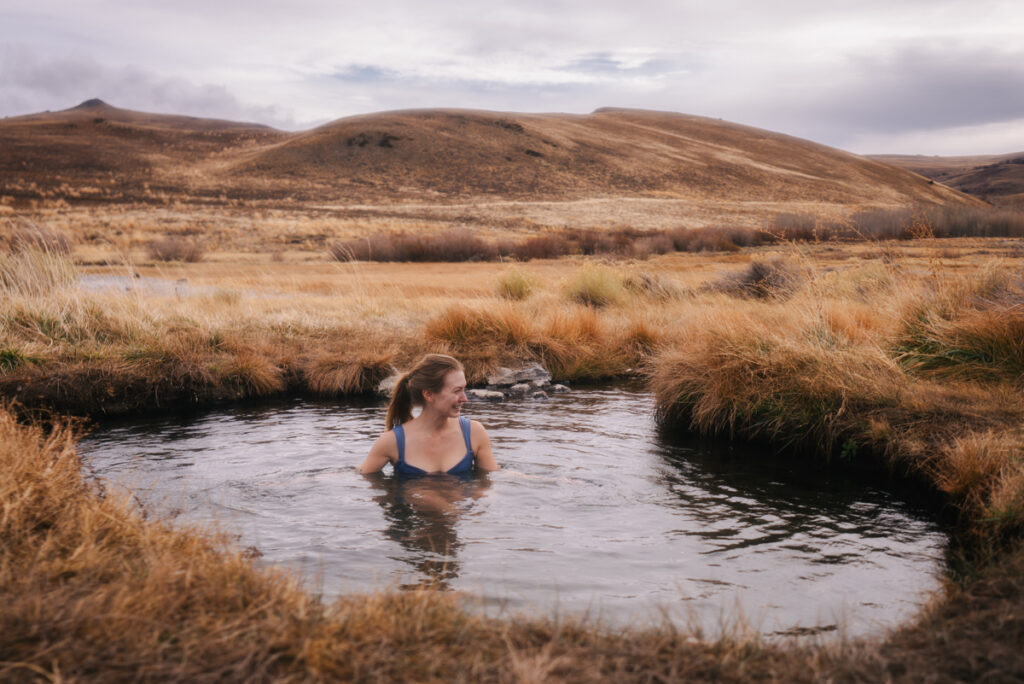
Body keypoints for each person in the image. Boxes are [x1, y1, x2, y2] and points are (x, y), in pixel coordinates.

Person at [358, 354, 498, 475]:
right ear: (429, 395)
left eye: (464, 389)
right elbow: (360, 479)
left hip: (460, 506)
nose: (464, 398)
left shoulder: (474, 433)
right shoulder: (391, 441)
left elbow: (488, 481)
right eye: (457, 391)